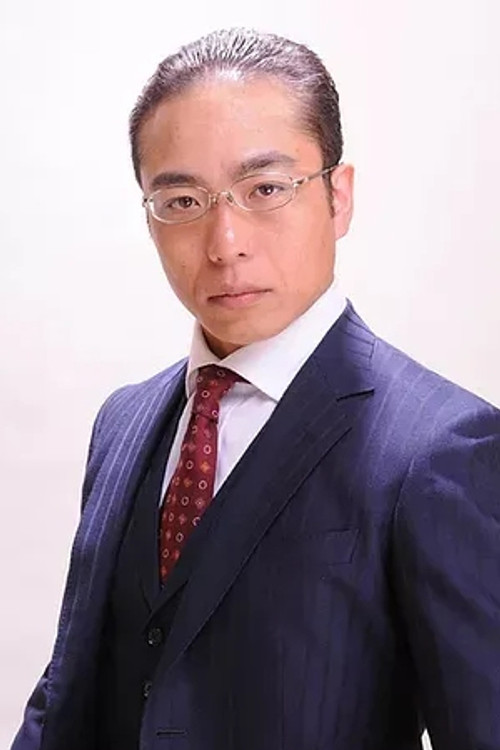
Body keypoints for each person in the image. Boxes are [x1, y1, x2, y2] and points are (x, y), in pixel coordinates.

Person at [11, 27, 500, 750]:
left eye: (266, 189)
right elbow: (68, 690)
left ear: (338, 197)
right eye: (182, 201)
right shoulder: (123, 420)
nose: (225, 242)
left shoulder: (439, 448)